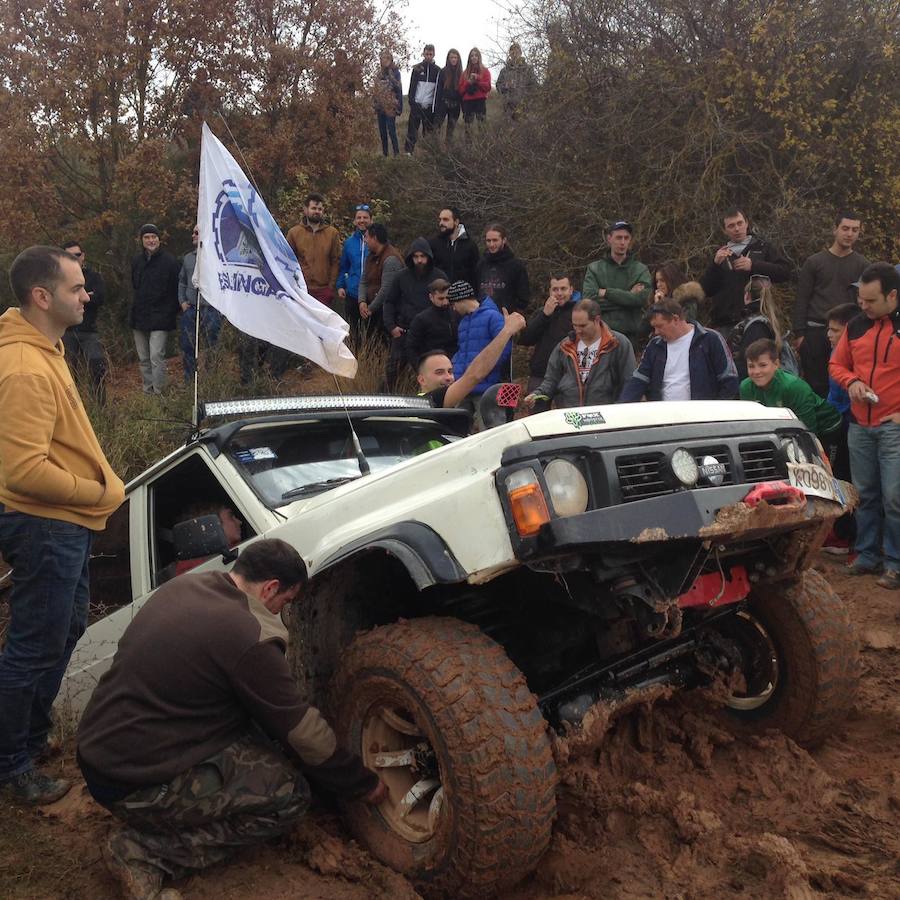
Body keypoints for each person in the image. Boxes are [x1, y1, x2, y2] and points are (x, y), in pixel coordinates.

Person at [76, 539, 385, 898]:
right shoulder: (248, 635)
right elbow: (304, 732)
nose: (284, 611)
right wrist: (361, 783)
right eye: (286, 602)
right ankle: (144, 852)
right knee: (290, 795)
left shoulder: (188, 585)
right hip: (134, 782)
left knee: (263, 742)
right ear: (270, 587)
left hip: (103, 748)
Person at [0, 246, 125, 805]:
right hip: (46, 525)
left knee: (63, 630)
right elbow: (23, 471)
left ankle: (27, 734)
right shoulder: (24, 368)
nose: (87, 294)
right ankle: (11, 763)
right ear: (41, 297)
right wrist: (95, 493)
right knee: (33, 645)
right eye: (77, 288)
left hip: (63, 524)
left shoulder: (43, 347)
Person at [829, 262, 900, 589]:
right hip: (859, 424)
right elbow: (836, 364)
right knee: (866, 495)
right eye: (861, 299)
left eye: (871, 300)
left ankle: (895, 563)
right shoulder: (856, 326)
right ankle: (868, 554)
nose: (863, 305)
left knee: (894, 497)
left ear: (892, 296)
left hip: (893, 426)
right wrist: (852, 381)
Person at [793, 213, 869, 398]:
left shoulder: (863, 264)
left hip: (848, 333)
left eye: (854, 230)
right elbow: (802, 298)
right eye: (845, 228)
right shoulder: (815, 262)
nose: (849, 234)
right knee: (815, 387)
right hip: (815, 332)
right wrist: (799, 334)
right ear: (835, 229)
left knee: (843, 386)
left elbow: (865, 302)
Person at [524, 299, 635, 409]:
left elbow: (630, 383)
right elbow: (551, 380)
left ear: (597, 320)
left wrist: (620, 411)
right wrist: (538, 394)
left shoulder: (618, 344)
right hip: (571, 416)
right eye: (574, 325)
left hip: (606, 416)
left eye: (583, 326)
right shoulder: (564, 346)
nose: (578, 330)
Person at [620, 299, 739, 402]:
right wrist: (622, 407)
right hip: (663, 418)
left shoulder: (710, 339)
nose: (656, 332)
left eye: (660, 326)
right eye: (654, 327)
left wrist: (717, 413)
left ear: (675, 319)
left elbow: (729, 378)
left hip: (702, 418)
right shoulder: (654, 345)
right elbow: (639, 379)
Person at [699, 207, 791, 336]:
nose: (737, 229)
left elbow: (785, 272)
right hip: (725, 323)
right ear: (724, 230)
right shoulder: (720, 254)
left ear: (746, 223)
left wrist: (754, 265)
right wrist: (715, 265)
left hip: (758, 319)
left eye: (739, 223)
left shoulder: (762, 247)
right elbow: (705, 290)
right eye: (731, 226)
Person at [416, 308, 527, 409]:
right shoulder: (428, 401)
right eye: (439, 372)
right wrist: (507, 331)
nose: (448, 377)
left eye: (450, 371)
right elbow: (474, 376)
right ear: (422, 380)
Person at [740, 339, 842, 439]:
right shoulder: (745, 387)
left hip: (826, 427)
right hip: (787, 431)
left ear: (776, 364)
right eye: (751, 366)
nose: (756, 371)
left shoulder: (794, 387)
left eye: (762, 365)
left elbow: (809, 430)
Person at [822, 302, 862, 554]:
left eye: (835, 330)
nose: (829, 334)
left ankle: (848, 538)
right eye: (829, 329)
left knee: (848, 482)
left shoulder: (856, 358)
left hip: (849, 429)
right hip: (835, 426)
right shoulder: (836, 355)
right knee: (837, 478)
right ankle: (841, 534)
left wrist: (839, 422)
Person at [381, 239, 447, 388]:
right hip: (404, 332)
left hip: (430, 334)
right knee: (393, 372)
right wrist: (391, 327)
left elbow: (446, 303)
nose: (419, 260)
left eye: (422, 256)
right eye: (416, 256)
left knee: (431, 372)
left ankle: (432, 404)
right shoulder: (401, 277)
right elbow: (389, 301)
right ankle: (386, 402)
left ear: (428, 257)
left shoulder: (439, 276)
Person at [582, 220, 652, 350]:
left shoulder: (640, 269)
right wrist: (628, 298)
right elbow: (589, 302)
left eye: (626, 238)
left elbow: (642, 299)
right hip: (600, 336)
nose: (622, 242)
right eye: (618, 237)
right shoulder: (595, 269)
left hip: (631, 337)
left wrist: (607, 293)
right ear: (609, 239)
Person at [130, 224, 181, 395]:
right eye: (147, 237)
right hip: (139, 317)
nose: (151, 240)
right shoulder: (136, 261)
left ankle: (160, 393)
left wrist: (171, 312)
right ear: (142, 240)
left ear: (159, 239)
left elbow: (176, 289)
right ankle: (148, 392)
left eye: (154, 237)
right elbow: (135, 286)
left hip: (161, 317)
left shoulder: (170, 262)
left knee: (156, 357)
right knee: (144, 358)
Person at [449, 281, 511, 412]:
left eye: (453, 304)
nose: (453, 308)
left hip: (488, 387)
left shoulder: (493, 317)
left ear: (461, 300)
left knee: (491, 428)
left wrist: (485, 371)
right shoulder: (463, 323)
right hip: (463, 387)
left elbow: (504, 348)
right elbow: (462, 351)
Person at [61, 239, 108, 403]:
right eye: (69, 255)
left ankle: (100, 405)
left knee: (97, 367)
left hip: (89, 330)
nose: (74, 258)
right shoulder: (58, 278)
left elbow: (100, 298)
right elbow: (58, 302)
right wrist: (87, 296)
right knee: (67, 371)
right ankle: (72, 405)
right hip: (66, 331)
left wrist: (78, 298)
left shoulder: (94, 276)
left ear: (83, 256)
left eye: (77, 254)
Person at [520, 273, 581, 393]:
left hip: (569, 375)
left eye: (563, 289)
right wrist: (544, 315)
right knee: (537, 411)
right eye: (555, 289)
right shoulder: (541, 312)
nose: (559, 293)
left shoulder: (579, 312)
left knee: (568, 412)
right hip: (541, 374)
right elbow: (526, 339)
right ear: (550, 291)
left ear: (571, 290)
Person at [178, 225, 223, 383]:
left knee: (212, 346)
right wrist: (182, 301)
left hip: (211, 310)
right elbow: (182, 281)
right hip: (191, 309)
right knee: (188, 345)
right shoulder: (188, 258)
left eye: (196, 233)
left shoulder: (217, 257)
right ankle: (190, 381)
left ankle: (212, 380)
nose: (193, 235)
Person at [285, 193, 342, 306]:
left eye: (320, 209)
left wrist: (330, 287)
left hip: (323, 290)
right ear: (306, 210)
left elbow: (336, 261)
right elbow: (287, 260)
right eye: (313, 208)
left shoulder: (332, 233)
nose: (317, 211)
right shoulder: (294, 233)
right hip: (301, 289)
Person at [727, 275, 783, 380]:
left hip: (752, 386)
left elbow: (751, 360)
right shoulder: (767, 320)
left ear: (747, 295)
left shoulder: (756, 326)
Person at [475, 224, 530, 313]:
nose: (491, 244)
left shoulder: (516, 266)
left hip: (506, 318)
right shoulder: (481, 264)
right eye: (488, 241)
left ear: (504, 240)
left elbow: (523, 298)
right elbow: (476, 291)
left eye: (495, 240)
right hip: (483, 316)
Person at [359, 223, 404, 331]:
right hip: (372, 310)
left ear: (374, 238)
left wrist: (370, 309)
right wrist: (362, 302)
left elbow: (386, 289)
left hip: (386, 313)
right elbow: (364, 280)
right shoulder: (371, 256)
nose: (365, 240)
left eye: (366, 237)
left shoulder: (391, 259)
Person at [336, 204, 372, 337]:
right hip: (352, 292)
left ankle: (372, 357)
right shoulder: (349, 243)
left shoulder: (376, 241)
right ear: (355, 221)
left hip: (372, 294)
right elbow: (343, 266)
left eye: (365, 217)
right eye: (359, 218)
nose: (362, 220)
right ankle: (355, 356)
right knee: (354, 332)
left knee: (371, 332)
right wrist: (340, 285)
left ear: (371, 220)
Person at [406, 278, 458, 365]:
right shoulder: (421, 319)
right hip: (432, 364)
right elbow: (411, 348)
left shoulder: (456, 314)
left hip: (455, 363)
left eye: (447, 298)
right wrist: (420, 368)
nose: (445, 302)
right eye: (441, 299)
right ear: (431, 297)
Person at [429, 206, 480, 288]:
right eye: (440, 219)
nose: (441, 223)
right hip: (440, 296)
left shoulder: (470, 246)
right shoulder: (433, 244)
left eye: (445, 220)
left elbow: (476, 275)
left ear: (456, 221)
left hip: (463, 297)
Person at [405, 44, 440, 153]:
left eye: (430, 54)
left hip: (429, 107)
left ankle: (427, 154)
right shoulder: (417, 68)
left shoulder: (438, 70)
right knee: (412, 131)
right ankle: (408, 153)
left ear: (434, 54)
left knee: (428, 132)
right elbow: (412, 87)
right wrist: (412, 102)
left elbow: (437, 90)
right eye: (426, 54)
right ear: (423, 54)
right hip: (416, 105)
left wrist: (434, 106)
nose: (428, 56)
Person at [373, 50, 402, 156]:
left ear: (390, 60)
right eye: (382, 58)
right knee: (382, 132)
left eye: (386, 58)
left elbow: (398, 88)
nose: (384, 61)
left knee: (391, 130)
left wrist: (399, 107)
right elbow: (375, 90)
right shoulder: (379, 74)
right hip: (380, 106)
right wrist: (375, 104)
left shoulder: (395, 72)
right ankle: (385, 155)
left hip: (391, 106)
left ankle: (396, 154)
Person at [496, 43, 536, 118]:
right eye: (512, 52)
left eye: (517, 52)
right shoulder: (504, 71)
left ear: (520, 53)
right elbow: (498, 86)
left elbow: (533, 86)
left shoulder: (528, 69)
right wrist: (506, 85)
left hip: (525, 107)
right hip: (508, 108)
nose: (515, 54)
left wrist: (529, 99)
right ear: (509, 54)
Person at [435, 49, 463, 142]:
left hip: (456, 105)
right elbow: (438, 90)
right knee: (437, 127)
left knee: (450, 130)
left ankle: (448, 150)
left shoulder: (461, 73)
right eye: (452, 57)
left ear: (458, 59)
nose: (453, 59)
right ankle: (435, 148)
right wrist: (437, 106)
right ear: (448, 59)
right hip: (444, 103)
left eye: (455, 57)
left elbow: (463, 91)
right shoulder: (443, 72)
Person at [459, 48, 491, 129]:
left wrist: (478, 80)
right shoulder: (465, 73)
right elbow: (460, 90)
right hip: (468, 102)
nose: (474, 57)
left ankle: (482, 141)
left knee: (482, 126)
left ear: (479, 57)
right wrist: (468, 82)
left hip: (480, 101)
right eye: (472, 56)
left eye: (476, 55)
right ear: (469, 58)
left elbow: (488, 87)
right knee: (468, 128)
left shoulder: (485, 71)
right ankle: (468, 142)